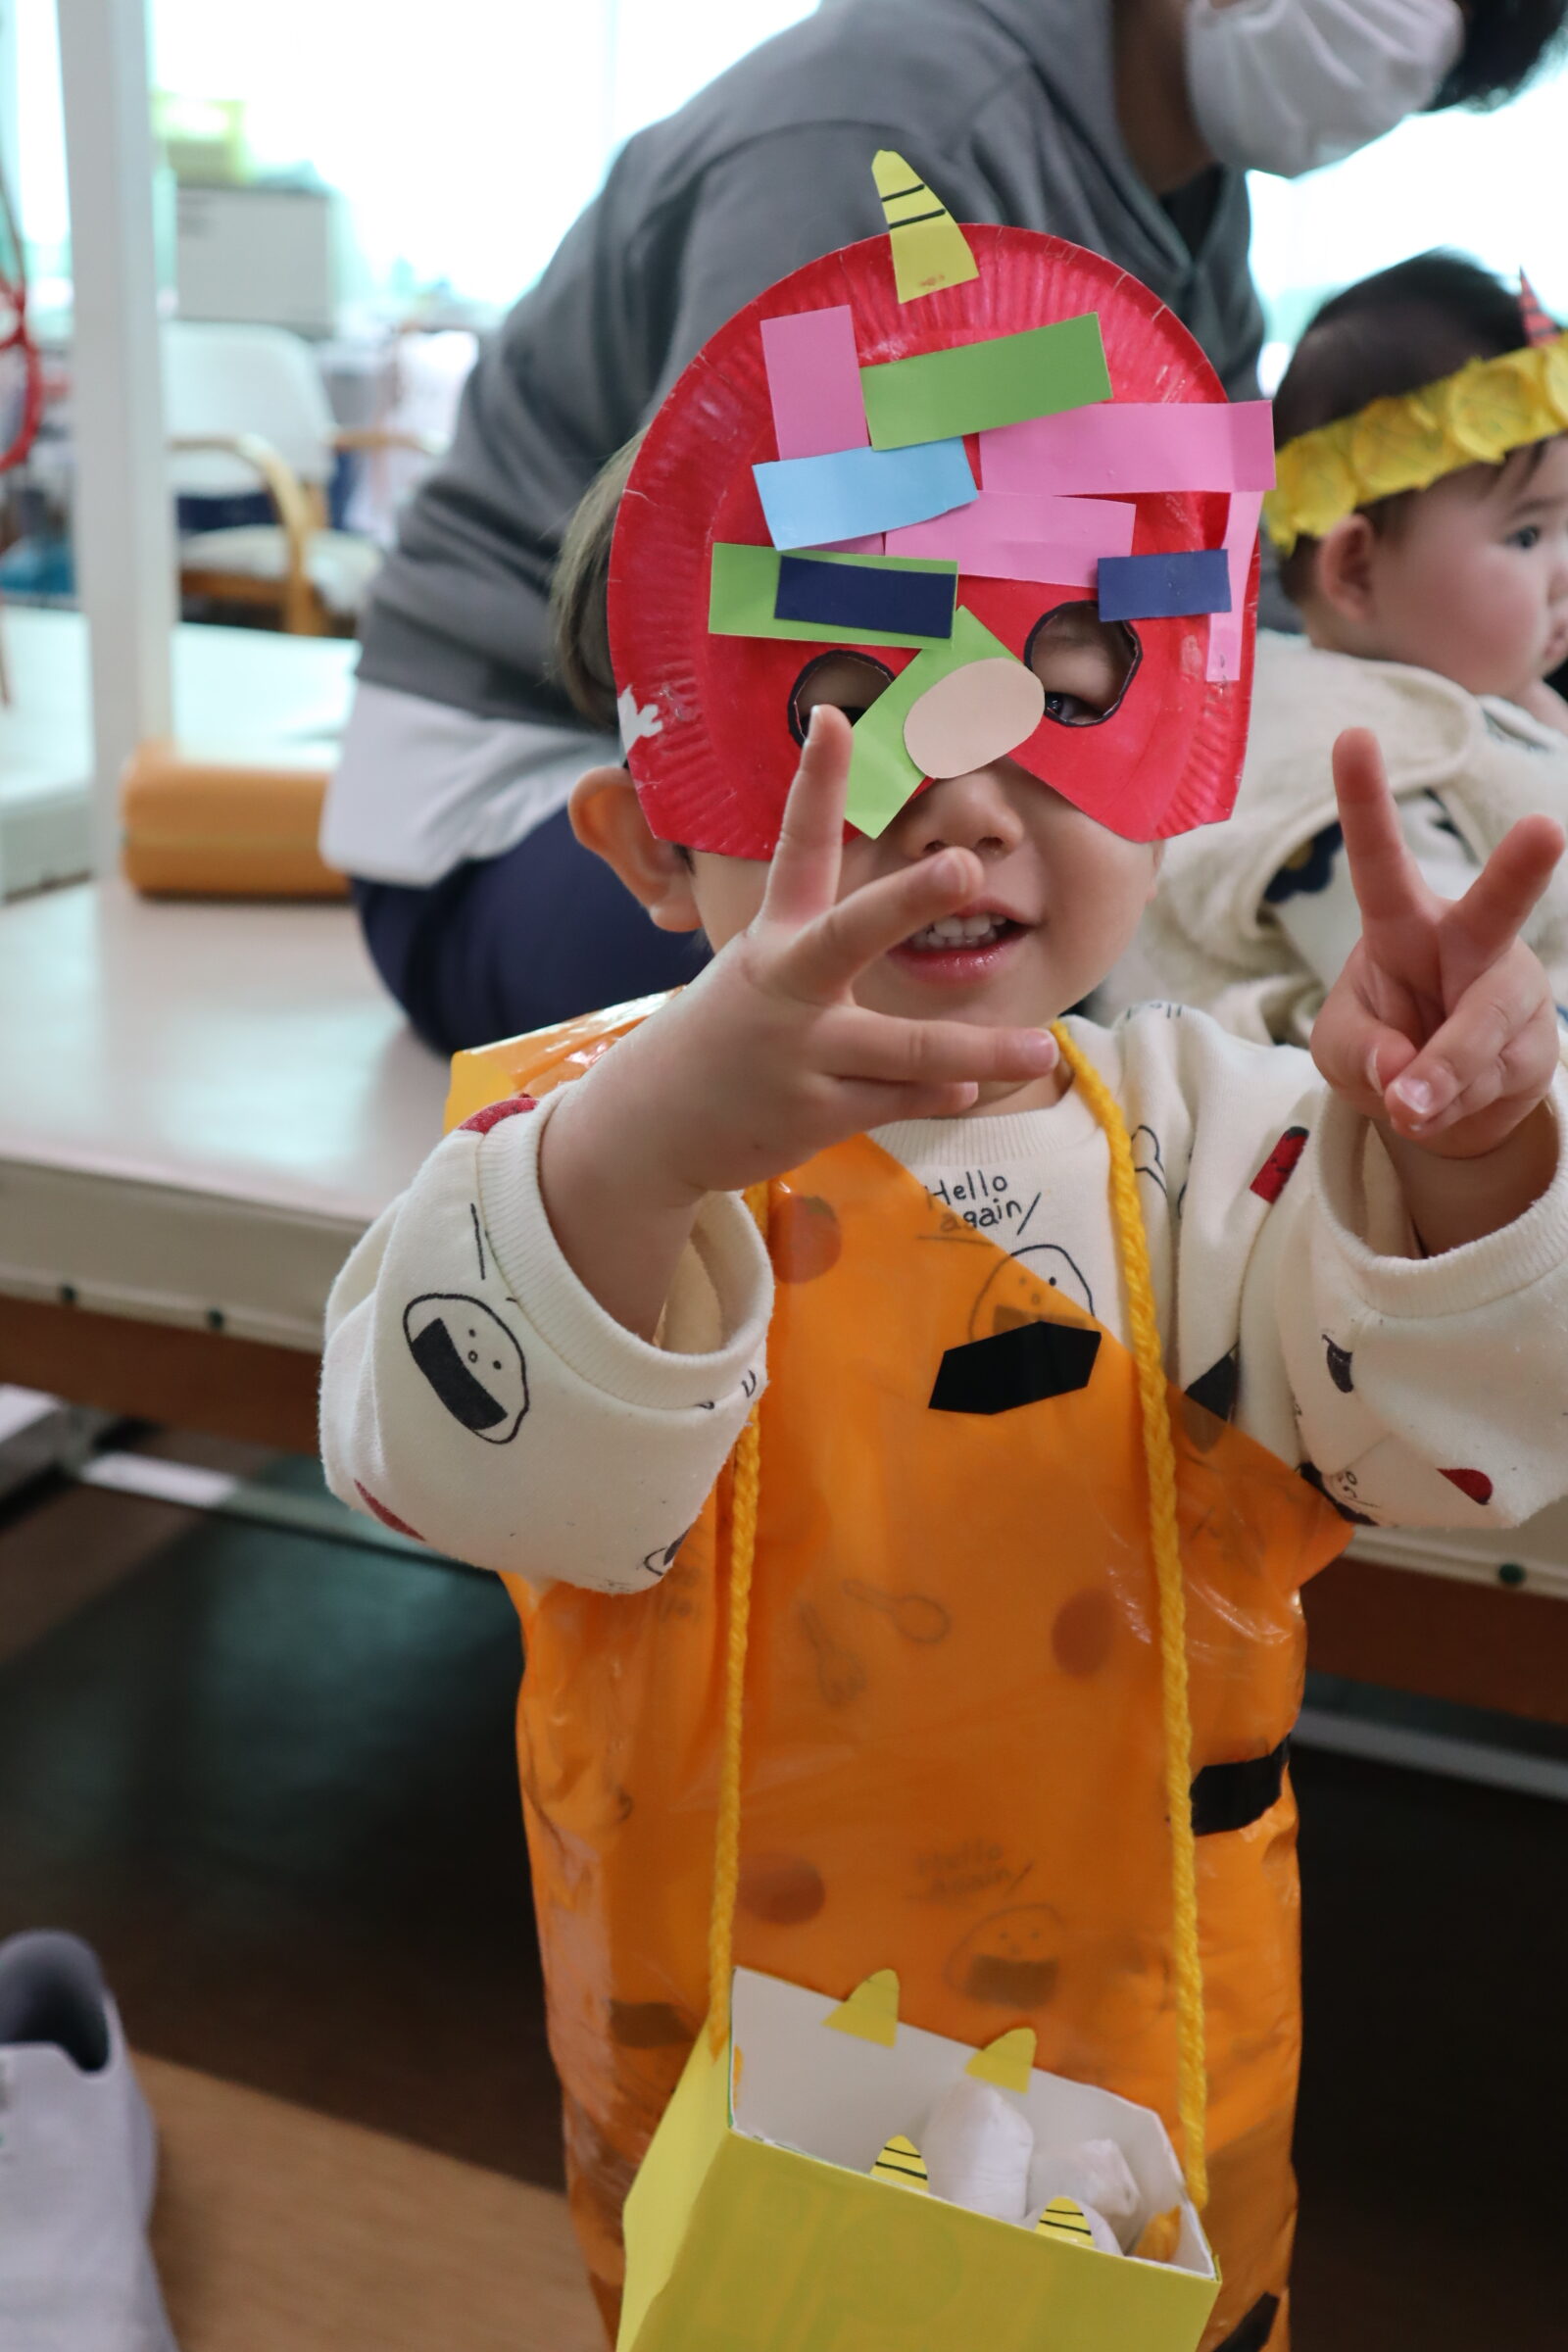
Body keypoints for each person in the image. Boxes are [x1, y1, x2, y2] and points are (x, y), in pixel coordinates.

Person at [320, 217, 1568, 2349]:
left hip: (1145, 2092)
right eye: (832, 712)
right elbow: (448, 1463)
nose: (964, 797)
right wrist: (646, 1150)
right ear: (647, 843)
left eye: (1067, 693)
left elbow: (1456, 1433)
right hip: (711, 2090)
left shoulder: (1218, 1137)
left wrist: (1465, 1156)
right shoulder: (570, 1148)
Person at [319, 0, 1568, 1054]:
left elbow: (1214, 594)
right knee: (941, 999)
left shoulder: (1194, 207)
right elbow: (762, 629)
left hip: (893, 754)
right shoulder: (878, 138)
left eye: (1450, 42)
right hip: (539, 794)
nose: (1406, 44)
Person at [1107, 252, 1568, 1043]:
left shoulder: (1480, 702)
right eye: (1527, 535)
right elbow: (1448, 1019)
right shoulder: (1339, 768)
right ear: (1354, 570)